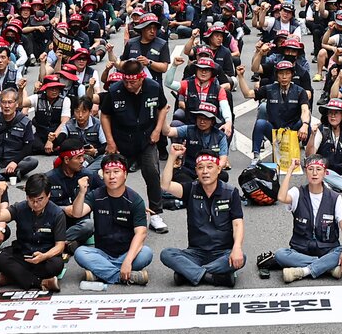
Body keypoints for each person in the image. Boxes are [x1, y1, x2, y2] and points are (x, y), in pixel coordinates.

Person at [157, 143, 245, 287]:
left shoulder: (231, 192)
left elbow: (237, 223)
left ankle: (187, 274)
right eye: (200, 168)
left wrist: (237, 248)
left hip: (222, 253)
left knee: (242, 258)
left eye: (210, 167)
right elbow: (165, 185)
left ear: (218, 169)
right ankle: (211, 276)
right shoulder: (190, 189)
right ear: (196, 171)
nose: (205, 171)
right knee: (167, 254)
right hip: (195, 253)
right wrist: (172, 157)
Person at [100, 59, 170, 234]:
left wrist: (157, 130)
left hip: (147, 138)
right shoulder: (115, 90)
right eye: (126, 81)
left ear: (141, 78)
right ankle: (111, 214)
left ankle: (155, 214)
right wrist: (110, 141)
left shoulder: (153, 87)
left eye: (132, 81)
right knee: (113, 175)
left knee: (152, 172)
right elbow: (105, 115)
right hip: (122, 140)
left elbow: (162, 108)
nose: (129, 85)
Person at [70, 154, 153, 286]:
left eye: (116, 172)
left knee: (146, 253)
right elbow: (77, 213)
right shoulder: (96, 195)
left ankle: (101, 273)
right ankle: (124, 276)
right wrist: (81, 193)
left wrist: (127, 261)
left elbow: (141, 233)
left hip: (127, 253)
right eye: (107, 172)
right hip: (102, 253)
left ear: (125, 174)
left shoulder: (135, 200)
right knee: (80, 252)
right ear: (102, 175)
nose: (112, 176)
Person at [269, 154, 342, 283]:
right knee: (281, 254)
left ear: (325, 173)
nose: (314, 173)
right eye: (310, 169)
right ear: (306, 172)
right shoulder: (297, 193)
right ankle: (327, 267)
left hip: (327, 249)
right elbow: (281, 197)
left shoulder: (335, 197)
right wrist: (290, 170)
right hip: (301, 250)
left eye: (318, 169)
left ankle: (303, 271)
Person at [0, 173, 68, 291]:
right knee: (1, 258)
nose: (35, 204)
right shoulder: (20, 208)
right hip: (22, 254)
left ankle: (13, 277)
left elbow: (60, 246)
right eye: (31, 200)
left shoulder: (57, 214)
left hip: (44, 257)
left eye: (40, 199)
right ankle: (40, 282)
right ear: (27, 197)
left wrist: (44, 256)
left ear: (48, 195)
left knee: (57, 265)